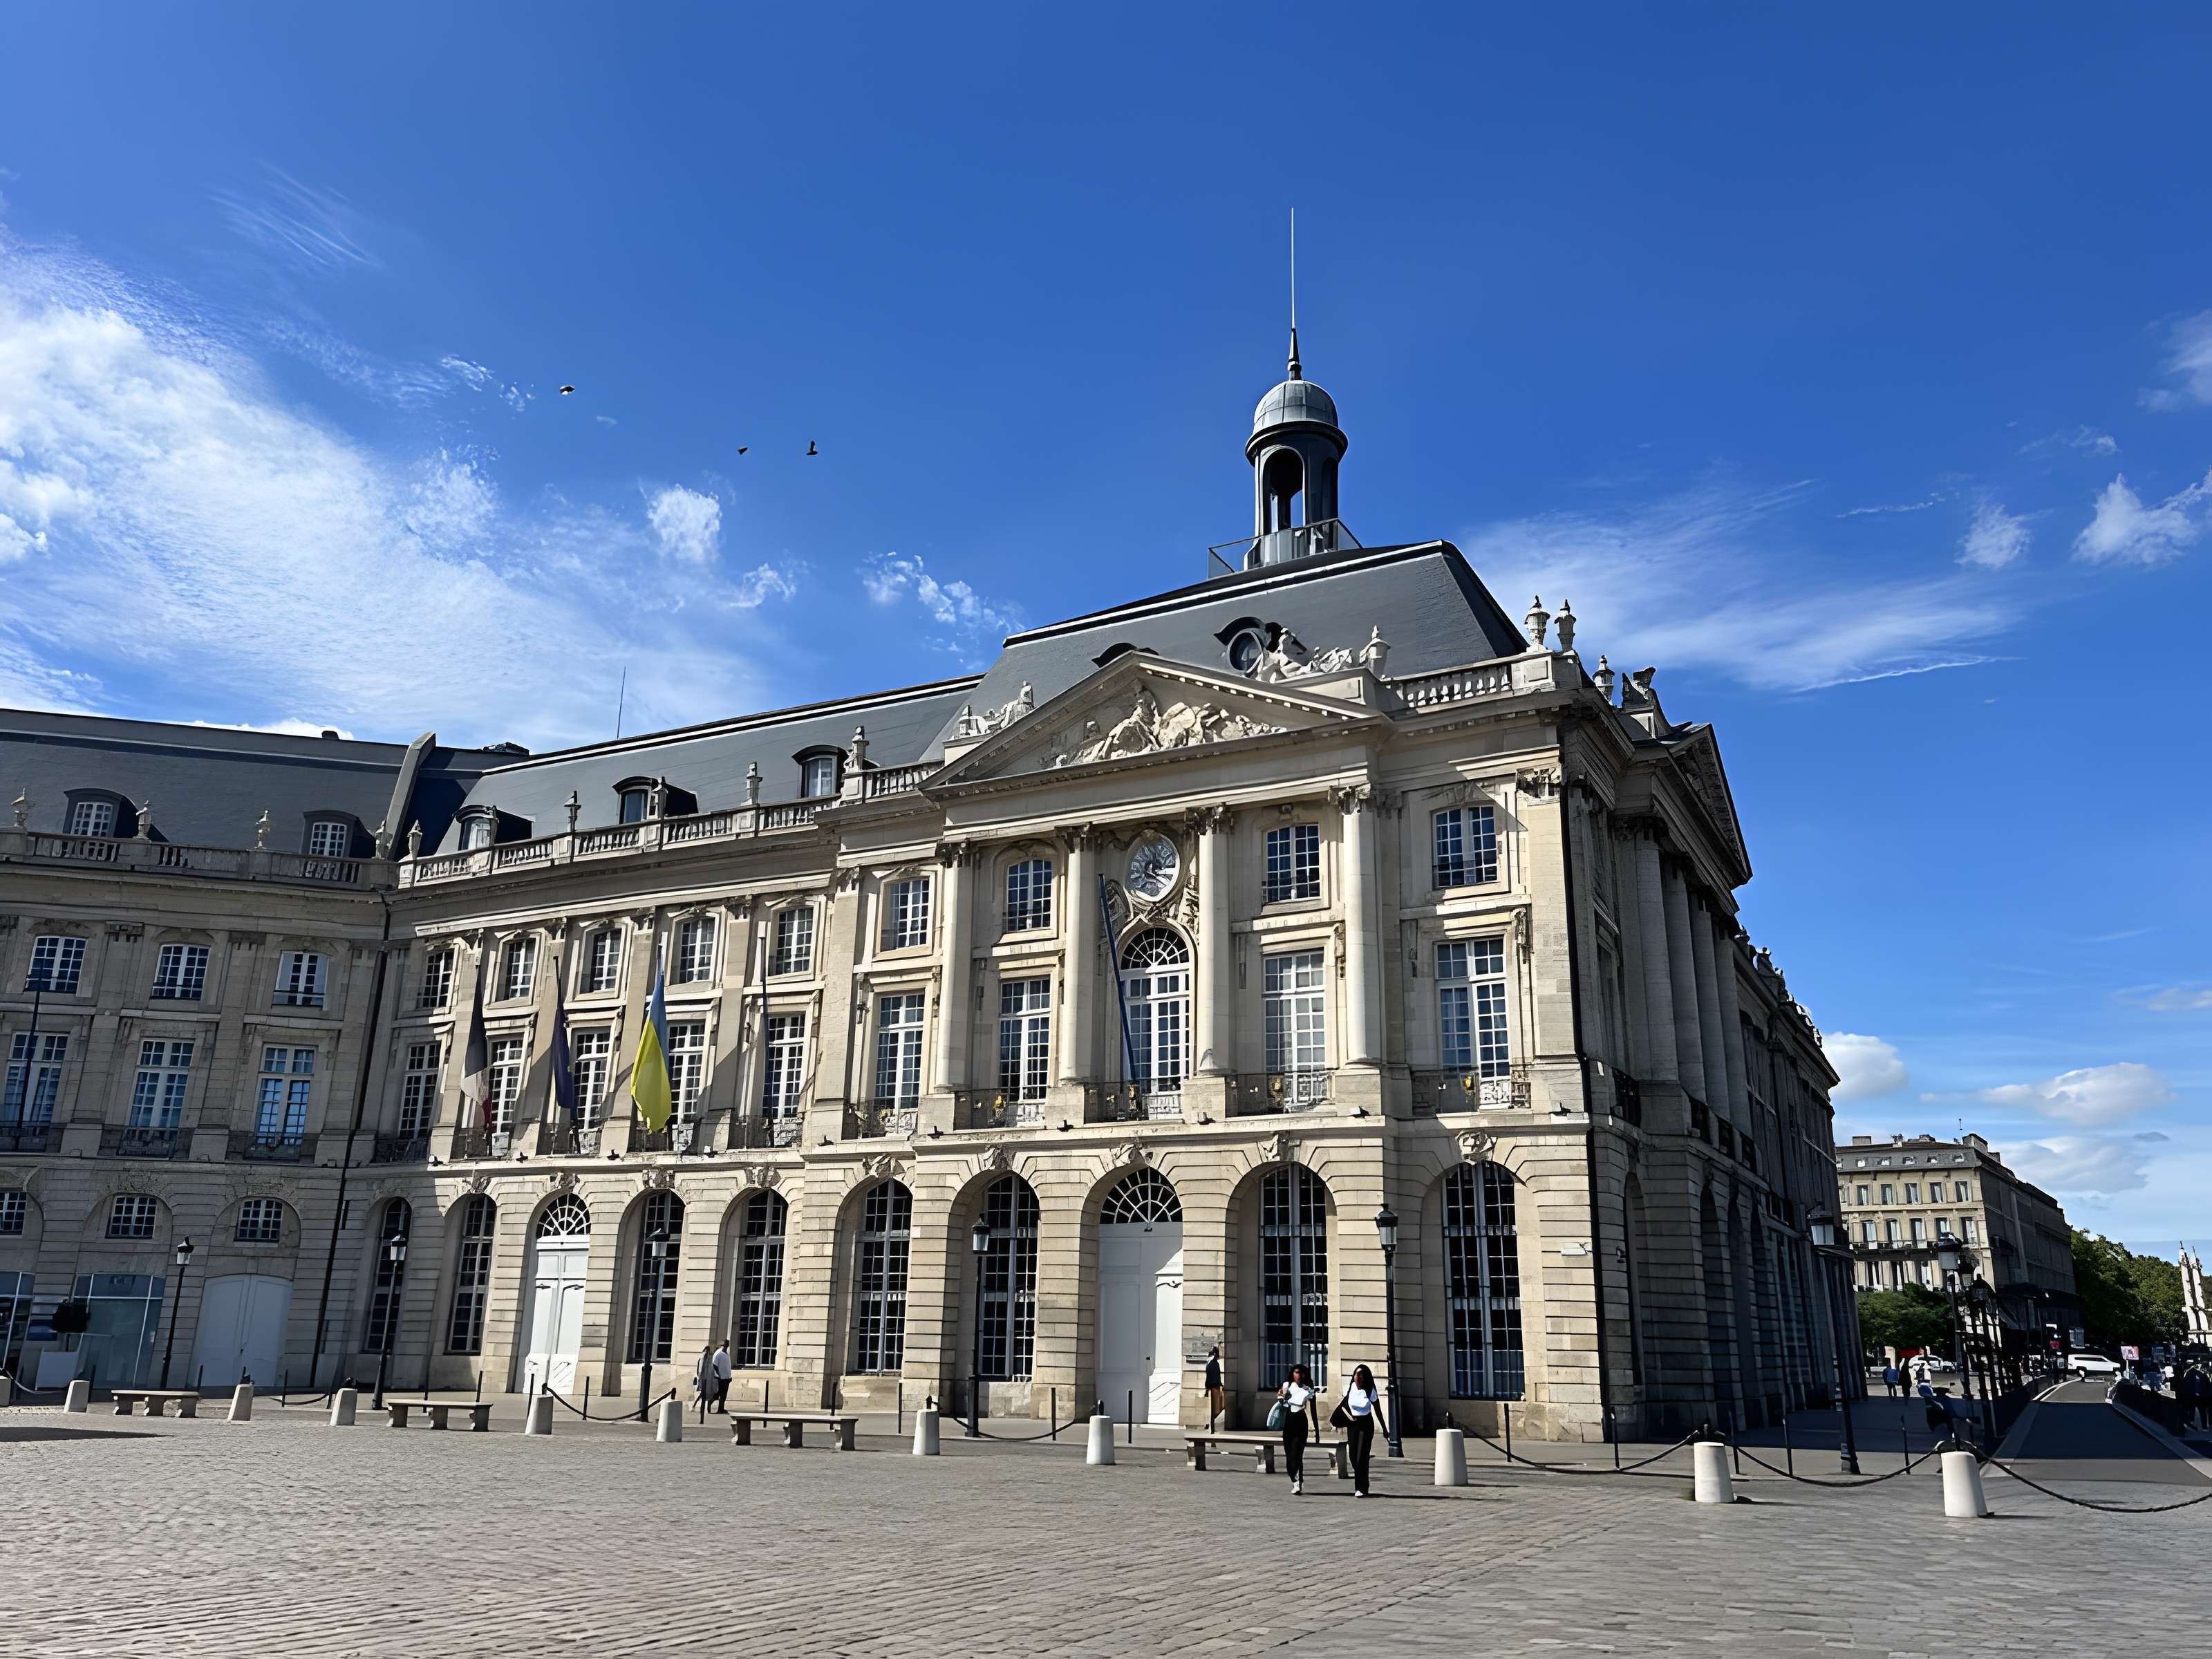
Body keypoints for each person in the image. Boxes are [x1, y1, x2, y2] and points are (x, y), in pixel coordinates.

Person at [1335, 1365, 1387, 1497]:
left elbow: (1378, 1411)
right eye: (1357, 1375)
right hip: (1353, 1425)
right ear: (1354, 1377)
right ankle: (1364, 1481)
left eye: (1362, 1375)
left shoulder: (1370, 1391)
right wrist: (1339, 1423)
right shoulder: (1351, 1387)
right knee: (1352, 1456)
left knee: (1361, 1458)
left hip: (1366, 1425)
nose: (1360, 1378)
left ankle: (1361, 1488)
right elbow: (1345, 1405)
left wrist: (1385, 1429)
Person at [1274, 1363, 1319, 1494]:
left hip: (1301, 1422)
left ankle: (1298, 1483)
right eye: (1297, 1372)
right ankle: (1295, 1479)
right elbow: (1282, 1403)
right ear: (1293, 1374)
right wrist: (1282, 1397)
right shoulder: (1287, 1386)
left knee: (1297, 1453)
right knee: (1289, 1454)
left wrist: (1317, 1432)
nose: (1300, 1375)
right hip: (1289, 1422)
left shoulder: (1308, 1390)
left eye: (1302, 1373)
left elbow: (1314, 1412)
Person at [1204, 1347, 1226, 1430]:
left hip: (1213, 1385)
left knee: (1214, 1409)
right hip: (1215, 1386)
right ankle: (1213, 1427)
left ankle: (1212, 1427)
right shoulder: (1214, 1364)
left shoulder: (1210, 1364)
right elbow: (1216, 1376)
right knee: (1216, 1409)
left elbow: (1209, 1377)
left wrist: (1207, 1388)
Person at [710, 1340, 733, 1414]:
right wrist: (718, 1374)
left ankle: (721, 1408)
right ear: (722, 1345)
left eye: (727, 1346)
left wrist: (729, 1376)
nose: (726, 1347)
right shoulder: (718, 1353)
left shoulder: (726, 1354)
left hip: (727, 1377)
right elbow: (715, 1365)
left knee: (724, 1395)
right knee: (720, 1393)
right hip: (721, 1378)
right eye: (725, 1345)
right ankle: (711, 1401)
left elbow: (727, 1366)